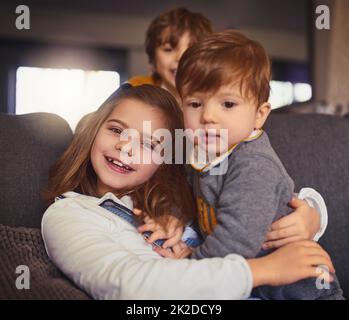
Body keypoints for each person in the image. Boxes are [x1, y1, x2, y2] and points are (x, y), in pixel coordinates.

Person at [41, 84, 334, 300]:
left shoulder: (186, 196)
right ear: (94, 131)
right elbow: (128, 287)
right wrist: (265, 270)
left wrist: (311, 215)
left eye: (149, 145)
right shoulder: (69, 214)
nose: (125, 147)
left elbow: (258, 193)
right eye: (117, 130)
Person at [143, 30, 345, 299]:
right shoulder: (201, 152)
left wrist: (189, 268)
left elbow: (235, 241)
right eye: (195, 103)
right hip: (251, 285)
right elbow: (189, 191)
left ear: (259, 115)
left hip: (303, 289)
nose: (208, 116)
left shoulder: (253, 164)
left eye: (227, 104)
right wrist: (174, 216)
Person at [128, 7, 213, 102]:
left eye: (192, 50)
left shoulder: (219, 94)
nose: (181, 58)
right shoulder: (135, 90)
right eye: (168, 49)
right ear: (153, 60)